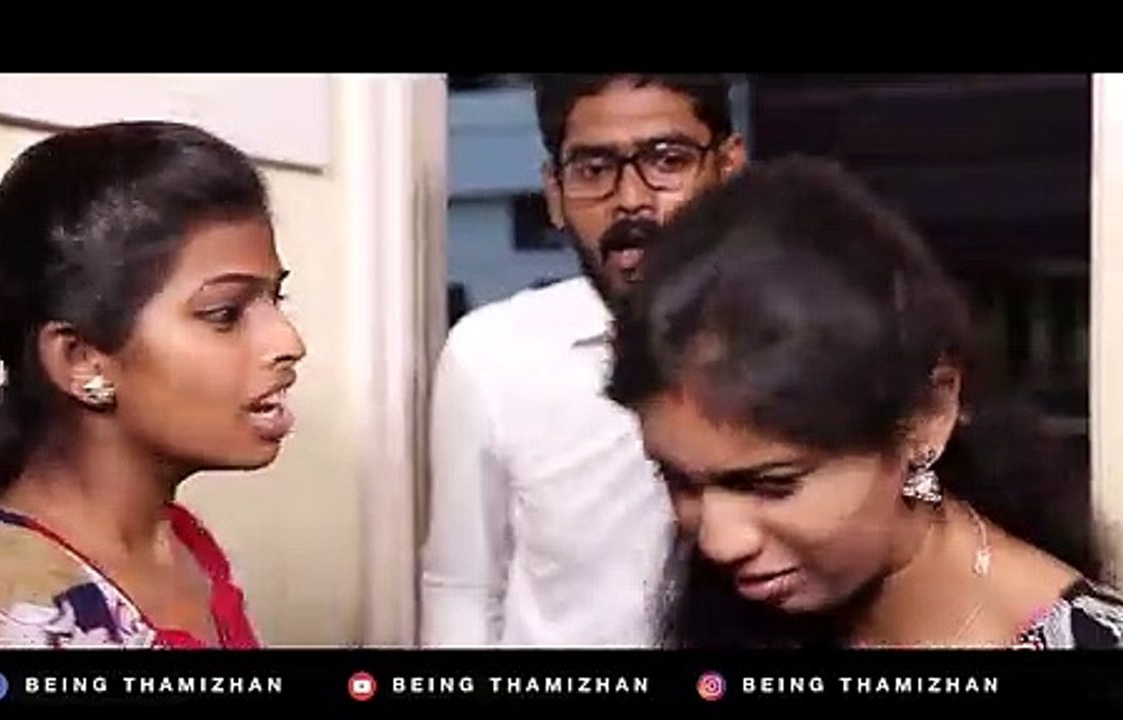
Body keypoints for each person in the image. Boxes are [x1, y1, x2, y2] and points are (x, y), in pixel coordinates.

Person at [606, 154, 1123, 649]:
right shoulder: (733, 609)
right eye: (678, 481)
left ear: (926, 416)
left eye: (773, 485)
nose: (718, 542)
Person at [0, 120, 306, 649]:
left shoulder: (186, 546)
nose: (288, 341)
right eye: (225, 313)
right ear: (82, 360)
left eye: (276, 299)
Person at [419, 74, 747, 646]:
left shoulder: (797, 342)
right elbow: (462, 588)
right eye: (594, 169)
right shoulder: (493, 355)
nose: (631, 199)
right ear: (554, 192)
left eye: (667, 161)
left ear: (728, 169)